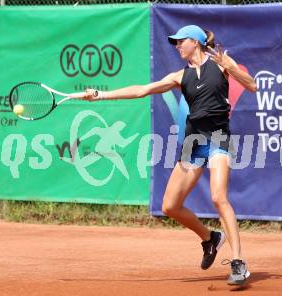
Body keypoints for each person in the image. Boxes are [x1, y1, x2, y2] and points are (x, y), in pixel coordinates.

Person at [82, 25, 257, 285]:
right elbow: (142, 90)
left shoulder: (221, 64)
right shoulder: (179, 76)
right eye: (175, 42)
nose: (177, 46)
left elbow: (252, 86)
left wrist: (229, 66)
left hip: (219, 137)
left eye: (180, 41)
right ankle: (211, 238)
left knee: (219, 196)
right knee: (170, 206)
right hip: (193, 142)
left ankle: (238, 262)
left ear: (195, 43)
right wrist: (102, 94)